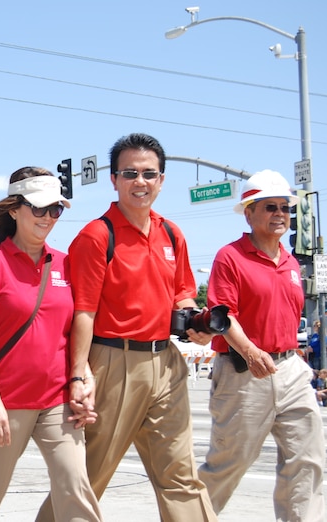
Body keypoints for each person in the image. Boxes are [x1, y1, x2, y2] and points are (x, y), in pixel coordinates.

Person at [37, 132, 216, 522]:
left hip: (166, 364)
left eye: (149, 174)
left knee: (180, 476)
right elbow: (83, 312)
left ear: (162, 180)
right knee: (88, 477)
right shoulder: (97, 236)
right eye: (130, 173)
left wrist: (195, 322)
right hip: (112, 362)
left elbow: (183, 295)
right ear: (114, 180)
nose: (141, 182)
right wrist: (79, 375)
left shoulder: (172, 233)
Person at [0, 167, 102, 522]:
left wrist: (84, 377)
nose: (48, 218)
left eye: (56, 210)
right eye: (39, 209)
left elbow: (76, 330)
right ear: (15, 210)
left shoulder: (66, 264)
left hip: (56, 402)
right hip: (6, 403)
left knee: (75, 486)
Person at [196, 170, 325, 519]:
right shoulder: (231, 256)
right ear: (249, 212)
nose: (280, 214)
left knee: (306, 461)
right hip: (244, 372)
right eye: (270, 207)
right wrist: (251, 351)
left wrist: (294, 359)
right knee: (227, 465)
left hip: (291, 370)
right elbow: (223, 316)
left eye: (285, 207)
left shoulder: (291, 261)